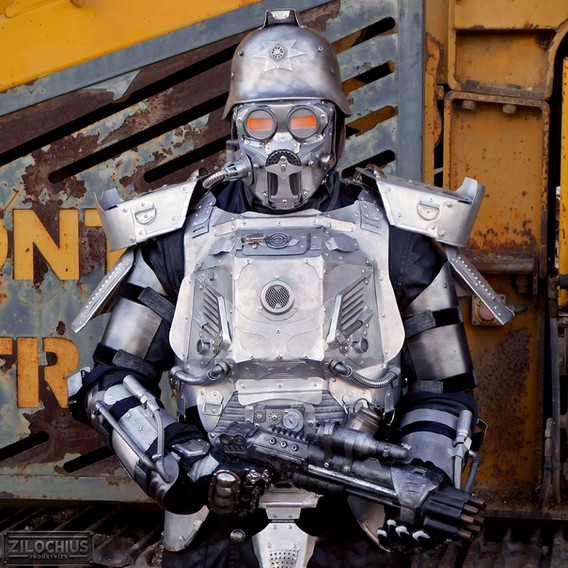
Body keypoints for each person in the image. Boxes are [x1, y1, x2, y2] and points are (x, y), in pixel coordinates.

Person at [68, 9, 488, 568]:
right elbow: (112, 380)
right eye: (262, 122)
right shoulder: (179, 237)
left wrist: (421, 482)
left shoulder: (399, 239)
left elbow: (444, 389)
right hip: (213, 529)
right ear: (236, 128)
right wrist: (195, 468)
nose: (283, 143)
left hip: (355, 527)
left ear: (336, 127)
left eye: (305, 121)